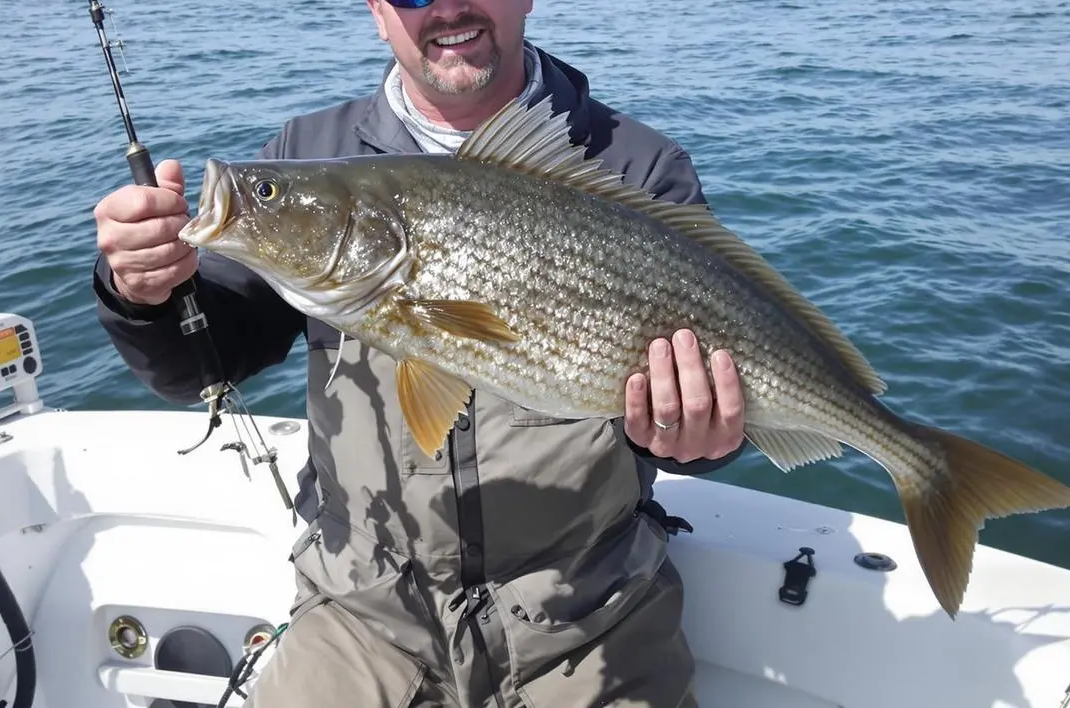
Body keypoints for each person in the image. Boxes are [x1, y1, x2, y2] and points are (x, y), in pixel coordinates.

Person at [92, 0, 748, 705]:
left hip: (588, 612)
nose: (447, 5)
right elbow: (203, 364)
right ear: (377, 12)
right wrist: (145, 292)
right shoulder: (307, 150)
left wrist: (699, 438)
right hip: (362, 614)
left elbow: (722, 399)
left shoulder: (637, 166)